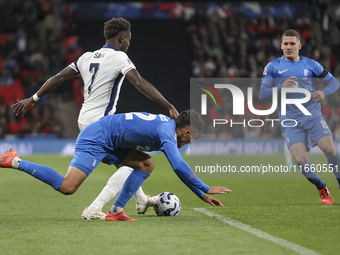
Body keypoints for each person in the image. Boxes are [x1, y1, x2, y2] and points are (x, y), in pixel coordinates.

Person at [11, 17, 179, 219]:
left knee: (138, 163)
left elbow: (58, 77)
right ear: (122, 38)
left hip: (85, 120)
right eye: (129, 39)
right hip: (101, 125)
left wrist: (34, 97)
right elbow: (139, 83)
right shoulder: (119, 58)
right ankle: (95, 208)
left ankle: (140, 200)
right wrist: (168, 105)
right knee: (72, 184)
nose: (129, 43)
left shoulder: (85, 57)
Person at [0, 110, 231, 221]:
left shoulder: (167, 127)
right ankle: (15, 160)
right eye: (195, 136)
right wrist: (205, 187)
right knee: (67, 187)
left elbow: (178, 167)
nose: (192, 140)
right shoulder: (166, 133)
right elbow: (179, 166)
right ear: (188, 131)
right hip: (98, 137)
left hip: (112, 139)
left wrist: (200, 194)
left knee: (146, 163)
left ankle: (116, 211)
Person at [260, 29, 340, 204]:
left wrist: (324, 92)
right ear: (281, 46)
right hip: (290, 121)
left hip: (312, 115)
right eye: (286, 44)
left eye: (292, 43)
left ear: (299, 45)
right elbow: (262, 94)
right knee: (300, 160)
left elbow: (334, 81)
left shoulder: (312, 65)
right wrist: (281, 88)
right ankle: (321, 187)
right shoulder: (272, 67)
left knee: (330, 150)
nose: (289, 47)